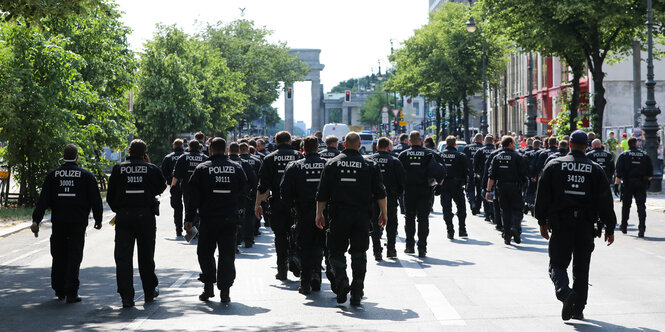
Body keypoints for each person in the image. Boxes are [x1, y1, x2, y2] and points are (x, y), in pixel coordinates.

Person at [535, 130, 616, 321]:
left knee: (557, 263)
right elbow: (605, 201)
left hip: (561, 223)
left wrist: (541, 221)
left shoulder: (554, 165)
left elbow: (543, 196)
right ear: (586, 146)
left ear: (569, 144)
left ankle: (564, 292)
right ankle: (578, 308)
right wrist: (610, 228)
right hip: (586, 225)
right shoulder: (595, 169)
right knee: (581, 268)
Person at [315, 132, 387, 306]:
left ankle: (341, 280)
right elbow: (380, 193)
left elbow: (322, 192)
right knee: (359, 253)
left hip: (339, 215)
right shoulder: (370, 164)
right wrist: (384, 213)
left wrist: (319, 213)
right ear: (359, 144)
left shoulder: (332, 164)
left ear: (344, 143)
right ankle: (357, 291)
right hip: (361, 216)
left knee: (335, 251)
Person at [30, 144, 103, 303]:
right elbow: (96, 200)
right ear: (77, 157)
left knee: (58, 255)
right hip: (78, 222)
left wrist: (36, 220)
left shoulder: (53, 176)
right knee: (74, 256)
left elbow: (43, 201)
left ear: (63, 156)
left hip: (59, 222)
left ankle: (59, 289)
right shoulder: (86, 176)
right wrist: (98, 219)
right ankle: (72, 292)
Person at [185, 138, 247, 303]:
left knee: (205, 253)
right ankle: (225, 291)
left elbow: (193, 198)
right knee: (227, 255)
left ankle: (208, 287)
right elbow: (244, 191)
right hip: (229, 219)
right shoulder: (237, 168)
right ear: (226, 149)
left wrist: (189, 219)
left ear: (210, 149)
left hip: (208, 220)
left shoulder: (202, 169)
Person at [107, 139, 167, 308]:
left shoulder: (119, 169)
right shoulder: (151, 168)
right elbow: (161, 187)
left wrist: (119, 208)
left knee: (123, 257)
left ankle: (126, 296)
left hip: (124, 216)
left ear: (129, 150)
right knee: (146, 256)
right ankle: (149, 291)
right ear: (144, 152)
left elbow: (110, 195)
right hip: (146, 216)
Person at [281, 136, 327, 295]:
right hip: (324, 213)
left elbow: (284, 192)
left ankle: (305, 282)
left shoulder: (294, 167)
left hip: (303, 213)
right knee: (320, 246)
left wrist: (293, 207)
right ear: (318, 148)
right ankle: (316, 275)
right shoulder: (327, 165)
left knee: (305, 247)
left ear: (303, 149)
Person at [255, 131, 303, 280]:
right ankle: (295, 257)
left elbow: (263, 186)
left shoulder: (269, 158)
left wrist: (258, 204)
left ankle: (282, 269)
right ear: (290, 141)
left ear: (276, 142)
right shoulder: (298, 156)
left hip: (277, 202)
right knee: (297, 234)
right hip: (297, 203)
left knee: (280, 236)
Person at [398, 131, 446, 257]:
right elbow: (441, 171)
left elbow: (398, 173)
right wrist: (439, 185)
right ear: (420, 140)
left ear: (409, 141)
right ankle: (422, 248)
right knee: (423, 219)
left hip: (409, 191)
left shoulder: (403, 155)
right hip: (425, 190)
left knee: (409, 218)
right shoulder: (429, 154)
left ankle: (409, 246)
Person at [367, 137, 406, 260]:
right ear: (388, 147)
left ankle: (377, 250)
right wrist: (397, 194)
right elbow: (403, 181)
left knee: (374, 223)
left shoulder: (368, 160)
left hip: (372, 197)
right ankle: (391, 249)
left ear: (377, 147)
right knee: (391, 223)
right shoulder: (394, 161)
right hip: (390, 196)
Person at [486, 136, 528, 244]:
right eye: (514, 143)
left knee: (505, 211)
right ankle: (515, 227)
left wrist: (488, 191)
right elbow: (524, 173)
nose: (515, 145)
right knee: (517, 209)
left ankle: (507, 235)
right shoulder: (518, 157)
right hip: (515, 187)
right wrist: (524, 184)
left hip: (501, 187)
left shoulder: (496, 157)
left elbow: (491, 176)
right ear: (509, 144)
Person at [615, 137, 653, 237]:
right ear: (636, 144)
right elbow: (650, 174)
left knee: (626, 205)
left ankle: (624, 226)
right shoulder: (644, 155)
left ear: (628, 144)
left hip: (627, 183)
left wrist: (616, 185)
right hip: (641, 183)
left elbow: (619, 173)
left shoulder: (624, 155)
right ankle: (641, 228)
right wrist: (647, 183)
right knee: (641, 206)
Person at [440, 136, 471, 239]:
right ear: (455, 144)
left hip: (444, 184)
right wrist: (464, 182)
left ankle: (450, 230)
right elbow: (467, 171)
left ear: (446, 143)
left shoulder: (440, 155)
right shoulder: (460, 156)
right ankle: (462, 229)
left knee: (446, 208)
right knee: (461, 207)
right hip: (457, 184)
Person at [173, 140, 208, 228]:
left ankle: (190, 225)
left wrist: (173, 187)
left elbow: (176, 174)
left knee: (188, 207)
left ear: (189, 147)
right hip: (202, 188)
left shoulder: (183, 157)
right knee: (201, 207)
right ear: (198, 147)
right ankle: (198, 225)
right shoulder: (205, 158)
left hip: (187, 187)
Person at [229, 142, 258, 249]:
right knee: (247, 218)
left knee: (230, 218)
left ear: (229, 150)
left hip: (227, 196)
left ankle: (235, 241)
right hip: (244, 195)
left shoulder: (225, 162)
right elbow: (253, 180)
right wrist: (254, 194)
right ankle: (248, 240)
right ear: (238, 151)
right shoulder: (245, 163)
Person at [161, 139, 186, 237]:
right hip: (187, 184)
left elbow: (164, 172)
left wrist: (169, 181)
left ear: (174, 146)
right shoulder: (186, 156)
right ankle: (191, 228)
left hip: (174, 185)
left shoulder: (168, 157)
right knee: (189, 207)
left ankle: (178, 229)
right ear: (183, 146)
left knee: (177, 208)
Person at [239, 143, 263, 237]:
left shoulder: (233, 161)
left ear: (239, 150)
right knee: (250, 215)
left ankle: (239, 238)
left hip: (238, 192)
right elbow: (260, 177)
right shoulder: (257, 160)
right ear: (248, 150)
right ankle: (250, 236)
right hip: (252, 192)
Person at [473, 135, 496, 222]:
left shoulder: (480, 151)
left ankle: (487, 214)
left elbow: (475, 164)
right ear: (492, 141)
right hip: (495, 176)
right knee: (494, 194)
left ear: (485, 141)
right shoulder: (495, 151)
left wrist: (476, 173)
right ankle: (493, 214)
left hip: (483, 176)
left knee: (485, 193)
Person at [463, 133, 484, 215]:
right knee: (479, 190)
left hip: (470, 172)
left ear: (474, 139)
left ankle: (472, 203)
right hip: (480, 173)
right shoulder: (483, 148)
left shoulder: (467, 148)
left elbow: (463, 160)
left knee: (470, 189)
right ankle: (478, 207)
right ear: (481, 140)